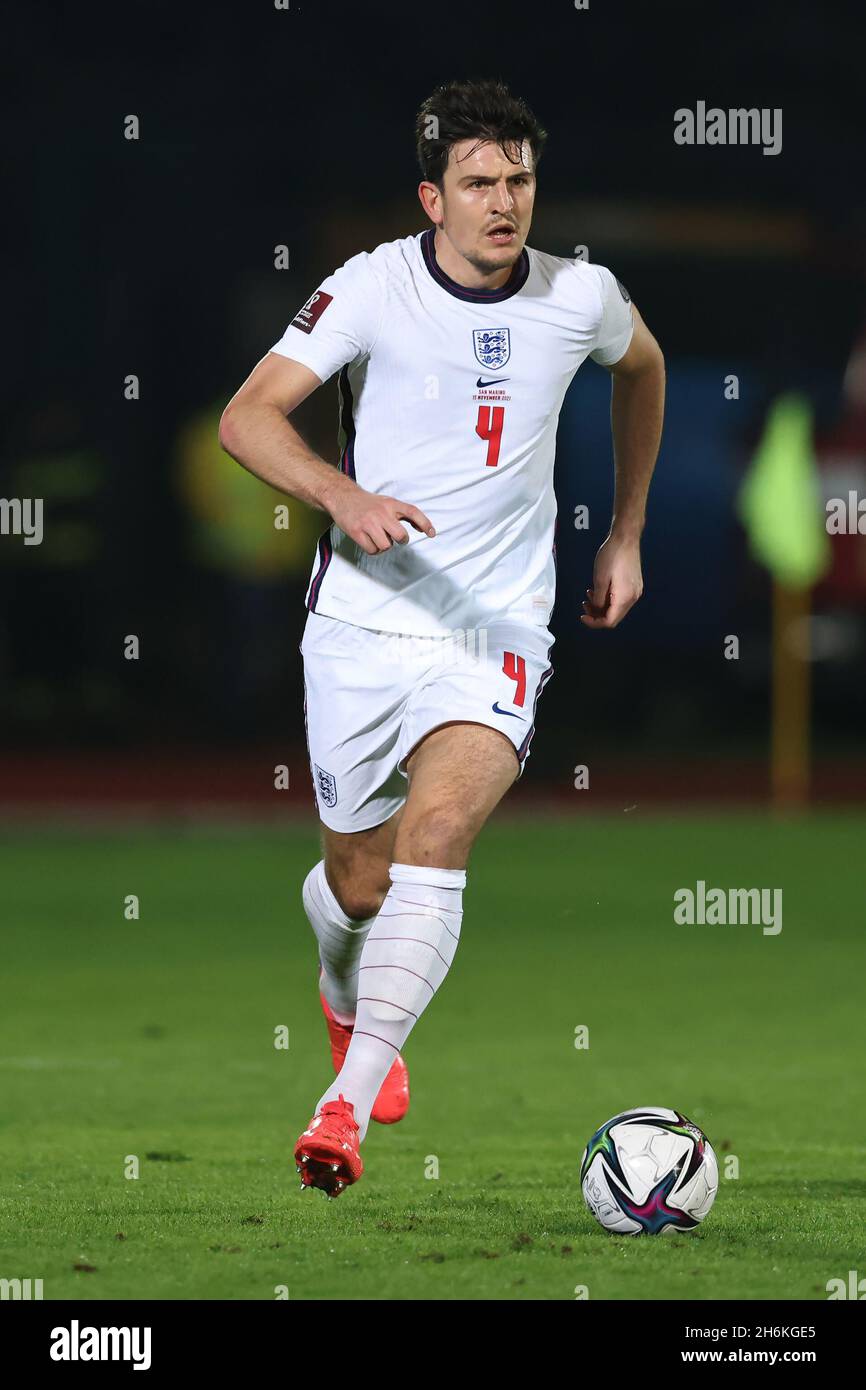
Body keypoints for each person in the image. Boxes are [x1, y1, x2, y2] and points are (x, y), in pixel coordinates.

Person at [218, 78, 665, 1197]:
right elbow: (246, 416)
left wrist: (623, 531)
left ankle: (343, 1108)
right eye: (476, 183)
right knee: (358, 884)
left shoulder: (581, 295)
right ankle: (338, 992)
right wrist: (339, 493)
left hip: (495, 628)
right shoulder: (370, 288)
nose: (502, 201)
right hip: (363, 624)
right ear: (432, 197)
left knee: (440, 831)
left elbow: (642, 368)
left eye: (517, 179)